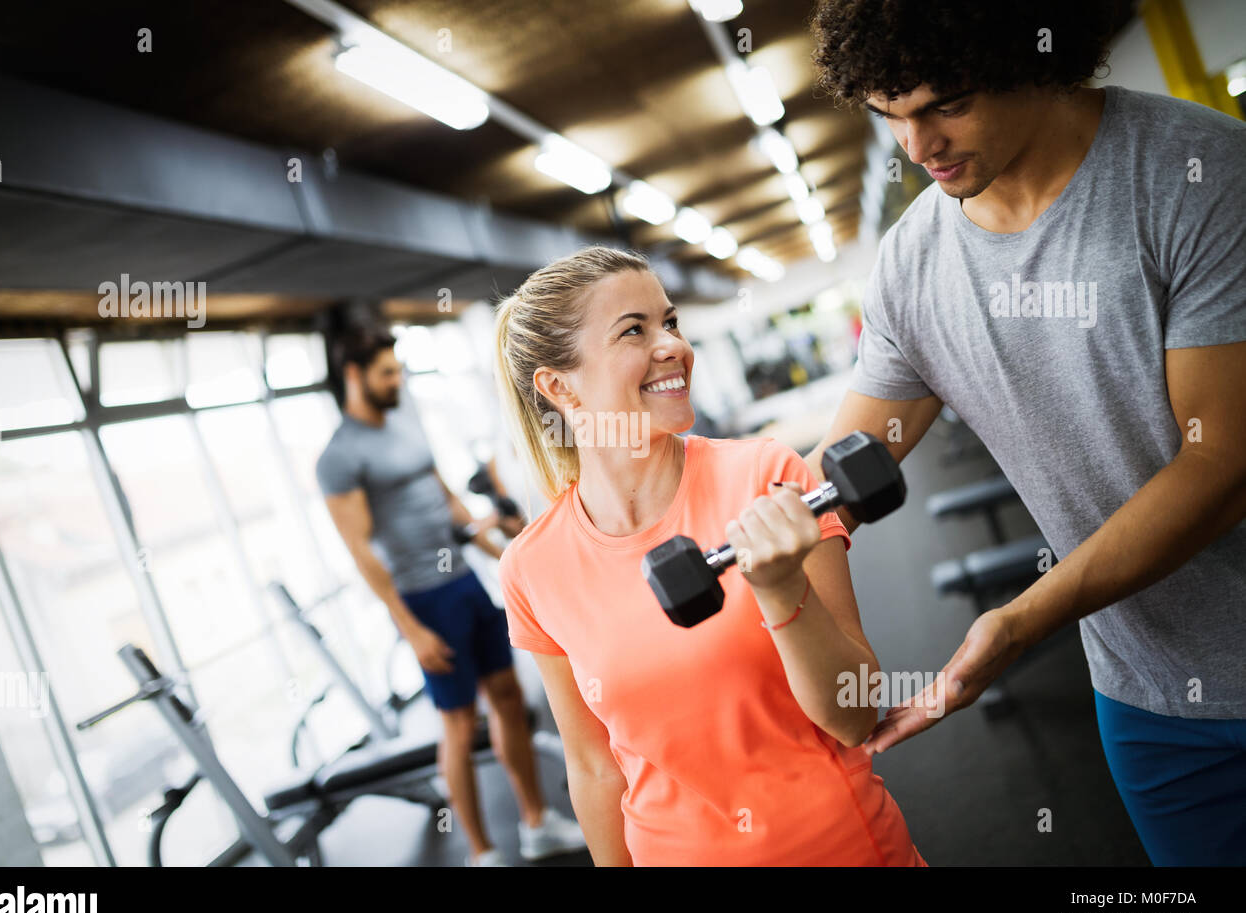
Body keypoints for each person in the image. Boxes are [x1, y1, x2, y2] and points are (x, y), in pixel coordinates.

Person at [804, 0, 1246, 864]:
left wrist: (1017, 623)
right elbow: (833, 486)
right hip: (1150, 700)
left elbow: (1223, 463)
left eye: (948, 103)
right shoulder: (910, 268)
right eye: (890, 115)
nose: (918, 145)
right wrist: (773, 560)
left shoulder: (1193, 171)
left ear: (1036, 55)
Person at [493, 246, 926, 866]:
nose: (672, 345)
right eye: (634, 331)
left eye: (670, 322)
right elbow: (592, 768)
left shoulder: (768, 475)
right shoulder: (532, 569)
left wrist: (781, 592)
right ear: (559, 386)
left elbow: (856, 716)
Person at [315, 324, 586, 866]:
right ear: (353, 376)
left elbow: (448, 504)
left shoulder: (404, 424)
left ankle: (536, 823)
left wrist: (504, 551)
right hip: (422, 598)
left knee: (509, 699)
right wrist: (408, 628)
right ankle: (482, 853)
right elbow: (360, 550)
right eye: (386, 373)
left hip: (462, 581)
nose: (397, 381)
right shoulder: (339, 457)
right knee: (459, 723)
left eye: (399, 370)